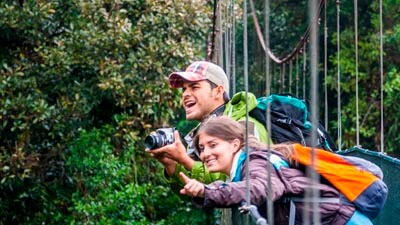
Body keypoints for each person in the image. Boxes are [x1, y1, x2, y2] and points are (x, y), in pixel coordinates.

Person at [179, 116, 359, 225]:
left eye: (213, 145)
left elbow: (259, 188)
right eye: (201, 148)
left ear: (235, 145)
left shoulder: (256, 161)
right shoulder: (246, 165)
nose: (206, 153)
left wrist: (207, 190)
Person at [147, 60, 270, 186]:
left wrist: (184, 160)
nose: (185, 95)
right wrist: (171, 165)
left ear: (218, 91)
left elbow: (235, 182)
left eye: (194, 87)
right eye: (184, 89)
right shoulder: (202, 136)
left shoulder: (242, 125)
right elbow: (200, 196)